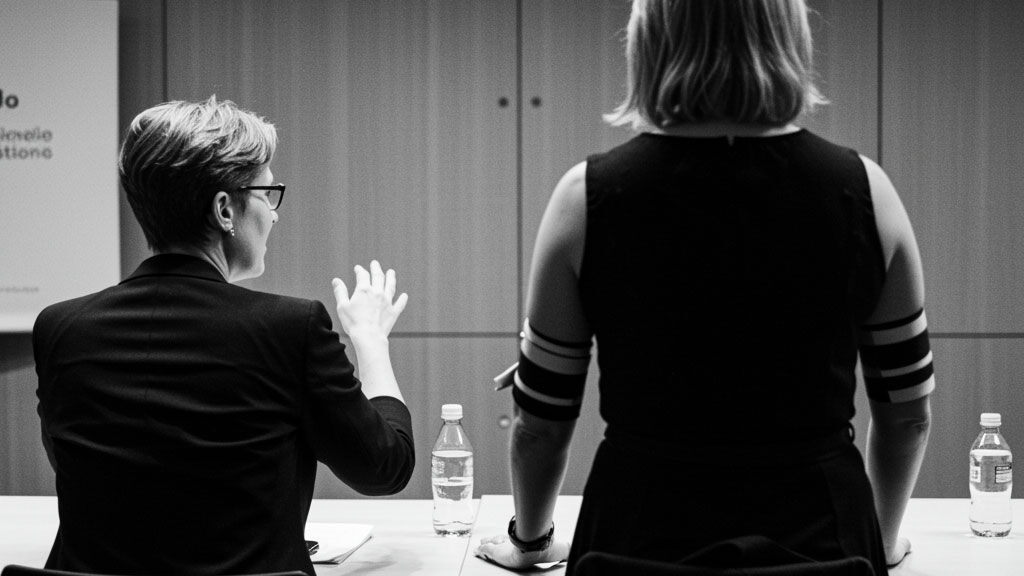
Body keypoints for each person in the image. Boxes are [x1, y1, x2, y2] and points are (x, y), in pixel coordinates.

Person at [476, 1, 933, 575]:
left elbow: (540, 428)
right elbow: (907, 416)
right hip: (826, 542)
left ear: (651, 40)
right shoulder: (868, 192)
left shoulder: (586, 198)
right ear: (787, 37)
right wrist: (878, 543)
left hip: (633, 542)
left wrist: (531, 544)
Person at [33, 97, 414, 575]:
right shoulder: (288, 329)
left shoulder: (61, 329)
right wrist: (371, 341)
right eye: (267, 193)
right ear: (224, 210)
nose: (274, 214)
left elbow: (78, 466)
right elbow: (385, 468)